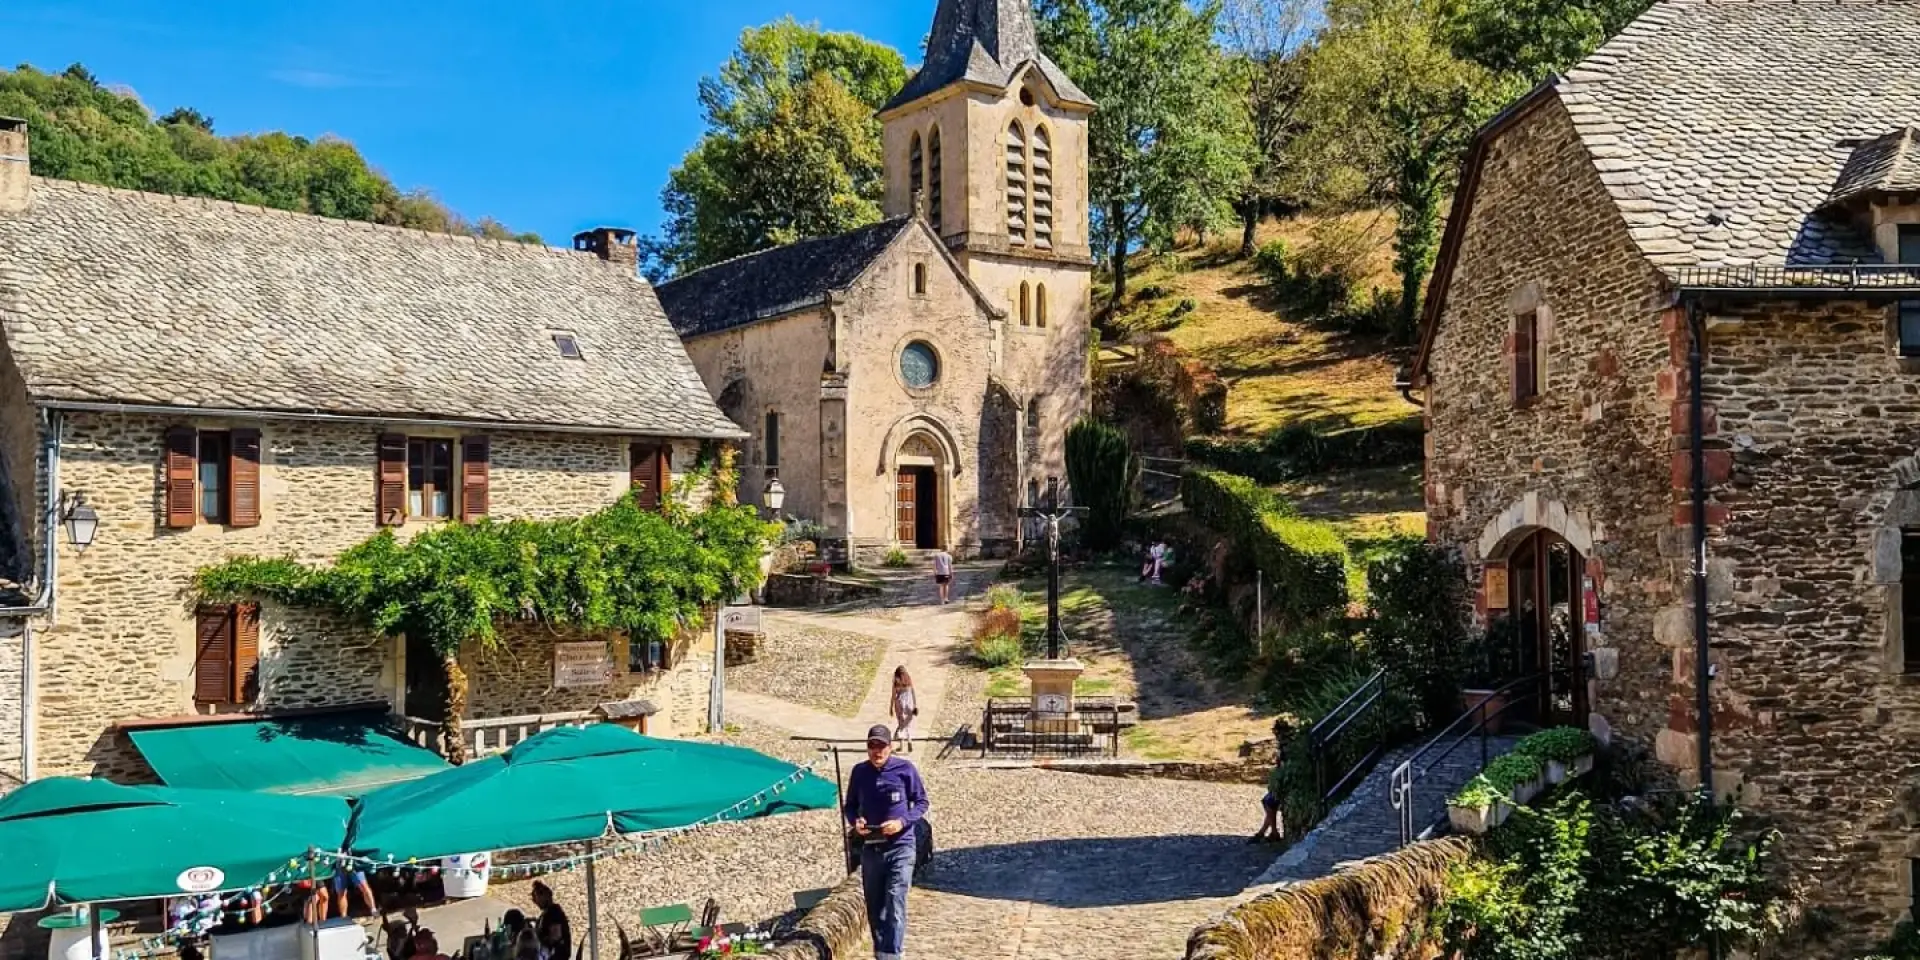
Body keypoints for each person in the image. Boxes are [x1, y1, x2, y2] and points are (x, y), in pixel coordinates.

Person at [844, 724, 929, 960]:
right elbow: (850, 806)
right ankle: (882, 953)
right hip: (872, 848)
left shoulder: (905, 769)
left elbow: (921, 802)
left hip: (901, 846)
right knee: (875, 906)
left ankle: (894, 954)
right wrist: (856, 822)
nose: (877, 751)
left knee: (895, 899)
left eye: (881, 746)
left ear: (890, 747)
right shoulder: (859, 772)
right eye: (872, 746)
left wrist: (902, 822)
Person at [532, 881, 572, 960]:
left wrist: (536, 936)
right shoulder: (548, 913)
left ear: (546, 896)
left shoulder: (554, 913)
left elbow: (555, 938)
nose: (534, 901)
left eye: (536, 897)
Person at [891, 667, 919, 754]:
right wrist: (915, 705)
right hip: (909, 704)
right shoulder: (909, 681)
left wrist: (890, 707)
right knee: (907, 725)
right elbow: (913, 693)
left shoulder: (896, 683)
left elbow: (893, 696)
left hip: (899, 704)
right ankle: (909, 740)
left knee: (901, 724)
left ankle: (901, 744)